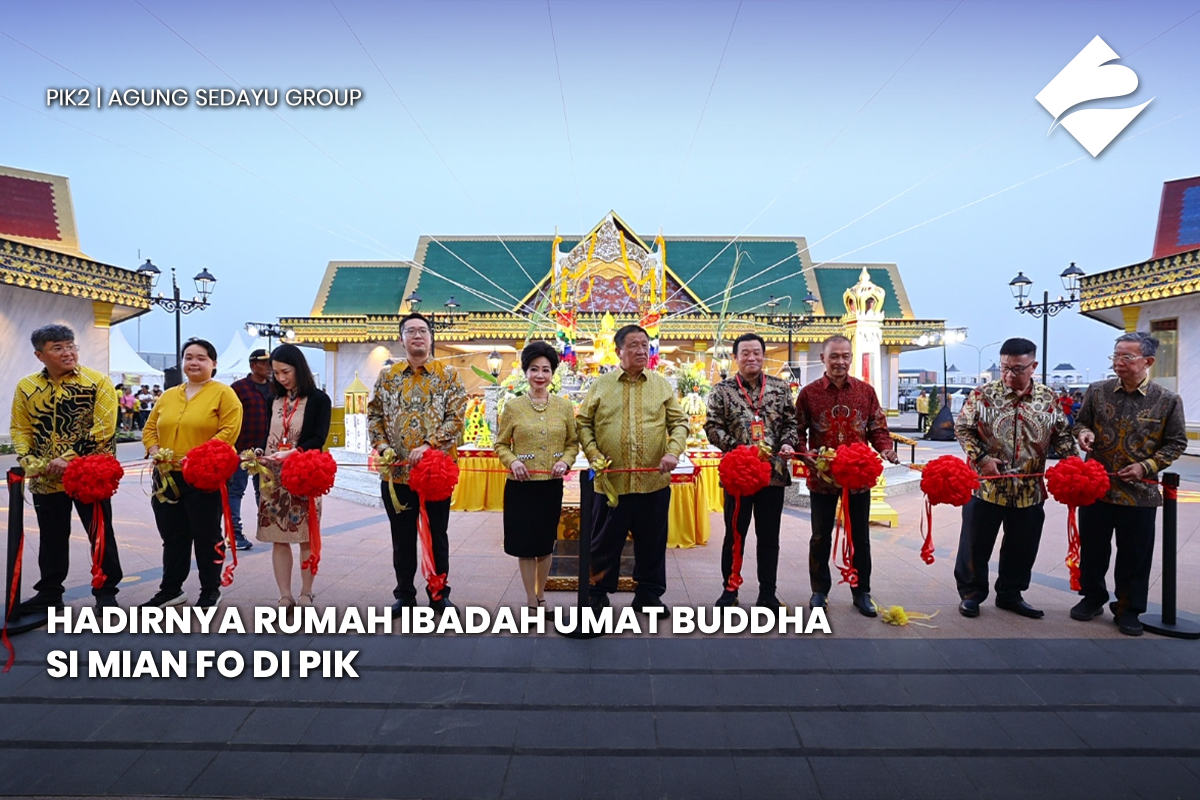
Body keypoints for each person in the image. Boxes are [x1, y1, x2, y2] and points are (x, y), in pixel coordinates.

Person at [1071, 332, 1188, 635]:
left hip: (1140, 492)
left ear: (1147, 361)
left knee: (1134, 554)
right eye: (1115, 356)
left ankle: (1128, 609)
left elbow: (1176, 443)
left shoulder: (1167, 400)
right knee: (1094, 548)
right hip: (1096, 485)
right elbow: (1082, 422)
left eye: (1127, 357)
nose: (1118, 362)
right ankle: (1092, 597)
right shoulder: (1097, 391)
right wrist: (1083, 434)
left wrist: (1146, 466)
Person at [953, 338, 1075, 620]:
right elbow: (963, 429)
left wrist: (1073, 465)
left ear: (1033, 366)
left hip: (1029, 490)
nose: (1009, 375)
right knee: (975, 544)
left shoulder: (1048, 398)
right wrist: (981, 460)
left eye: (1017, 369)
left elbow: (1062, 436)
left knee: (1023, 546)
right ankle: (971, 594)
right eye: (1004, 368)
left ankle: (1010, 594)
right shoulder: (983, 394)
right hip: (987, 487)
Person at [577, 325, 689, 614]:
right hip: (610, 482)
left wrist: (673, 451)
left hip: (653, 482)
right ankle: (597, 592)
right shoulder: (601, 385)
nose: (641, 351)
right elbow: (583, 423)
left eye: (645, 346)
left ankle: (648, 594)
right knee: (603, 542)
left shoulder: (661, 384)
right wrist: (593, 453)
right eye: (634, 346)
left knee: (652, 543)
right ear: (618, 351)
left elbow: (679, 422)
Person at [10, 324, 123, 610]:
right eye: (57, 348)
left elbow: (104, 428)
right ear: (40, 355)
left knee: (99, 533)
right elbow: (20, 427)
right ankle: (50, 592)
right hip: (46, 477)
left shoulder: (97, 382)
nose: (67, 352)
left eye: (70, 346)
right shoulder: (27, 386)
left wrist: (69, 457)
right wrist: (27, 459)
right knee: (50, 536)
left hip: (88, 474)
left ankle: (106, 591)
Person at [368, 312, 467, 615]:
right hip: (397, 475)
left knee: (438, 535)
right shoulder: (388, 376)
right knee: (402, 537)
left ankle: (439, 593)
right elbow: (374, 416)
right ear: (402, 339)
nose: (417, 336)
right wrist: (383, 446)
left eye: (422, 331)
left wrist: (429, 445)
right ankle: (405, 594)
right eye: (410, 331)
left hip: (435, 472)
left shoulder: (448, 375)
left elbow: (456, 418)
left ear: (431, 337)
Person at [795, 335, 899, 617]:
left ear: (850, 357)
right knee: (820, 536)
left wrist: (886, 450)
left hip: (857, 478)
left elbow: (878, 428)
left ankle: (861, 590)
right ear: (823, 359)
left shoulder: (865, 392)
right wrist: (806, 455)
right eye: (834, 357)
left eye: (845, 356)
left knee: (860, 537)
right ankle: (819, 591)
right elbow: (798, 432)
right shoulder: (808, 393)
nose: (840, 362)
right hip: (823, 479)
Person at [142, 338, 243, 608]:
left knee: (206, 534)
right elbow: (150, 427)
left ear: (213, 363)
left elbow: (228, 433)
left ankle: (211, 588)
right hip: (166, 476)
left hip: (203, 477)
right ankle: (171, 589)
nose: (194, 362)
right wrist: (154, 450)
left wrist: (198, 456)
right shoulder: (168, 395)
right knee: (173, 536)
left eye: (201, 357)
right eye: (189, 357)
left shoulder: (224, 394)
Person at [705, 332, 798, 608]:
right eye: (745, 353)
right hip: (739, 476)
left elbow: (791, 424)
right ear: (736, 357)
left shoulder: (780, 389)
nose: (751, 357)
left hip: (773, 475)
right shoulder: (722, 391)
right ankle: (729, 590)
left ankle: (767, 593)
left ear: (763, 355)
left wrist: (787, 443)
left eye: (756, 352)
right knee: (734, 534)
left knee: (769, 538)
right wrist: (737, 448)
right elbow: (712, 426)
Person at [494, 341, 578, 608]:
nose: (539, 375)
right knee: (524, 544)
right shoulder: (514, 407)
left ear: (552, 374)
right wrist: (513, 461)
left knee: (544, 543)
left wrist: (565, 461)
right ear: (525, 373)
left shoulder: (564, 407)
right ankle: (531, 600)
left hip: (550, 486)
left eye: (545, 370)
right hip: (521, 486)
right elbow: (500, 444)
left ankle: (541, 595)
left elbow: (572, 443)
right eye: (534, 369)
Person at [255, 344, 332, 608]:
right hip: (273, 477)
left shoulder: (319, 400)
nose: (281, 378)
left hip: (303, 474)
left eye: (285, 372)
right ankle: (285, 594)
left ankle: (306, 591)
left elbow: (318, 439)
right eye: (276, 373)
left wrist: (293, 454)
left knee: (305, 535)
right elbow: (266, 434)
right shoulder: (272, 399)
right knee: (278, 536)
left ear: (299, 368)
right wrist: (258, 453)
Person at [228, 348, 274, 551]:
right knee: (235, 491)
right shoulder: (238, 388)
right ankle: (234, 534)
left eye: (270, 363)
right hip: (241, 451)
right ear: (253, 365)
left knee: (264, 490)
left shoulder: (275, 389)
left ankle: (268, 528)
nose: (269, 367)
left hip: (266, 451)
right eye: (264, 363)